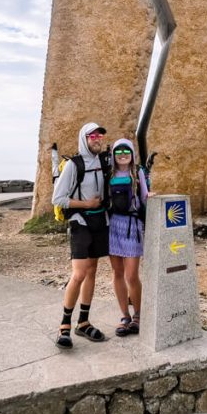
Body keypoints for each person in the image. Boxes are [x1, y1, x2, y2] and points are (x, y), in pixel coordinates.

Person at [51, 121, 110, 348]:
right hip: (80, 221)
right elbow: (58, 198)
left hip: (99, 221)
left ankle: (83, 322)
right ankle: (64, 326)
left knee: (92, 271)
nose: (97, 139)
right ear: (84, 139)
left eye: (99, 136)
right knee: (79, 274)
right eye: (92, 136)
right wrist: (86, 204)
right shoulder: (74, 165)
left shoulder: (103, 162)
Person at [106, 138, 149, 336]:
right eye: (118, 152)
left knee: (131, 275)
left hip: (132, 226)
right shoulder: (109, 173)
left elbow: (144, 197)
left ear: (132, 154)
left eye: (126, 152)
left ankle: (139, 315)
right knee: (117, 273)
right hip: (113, 225)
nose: (122, 155)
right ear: (114, 154)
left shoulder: (137, 172)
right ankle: (125, 316)